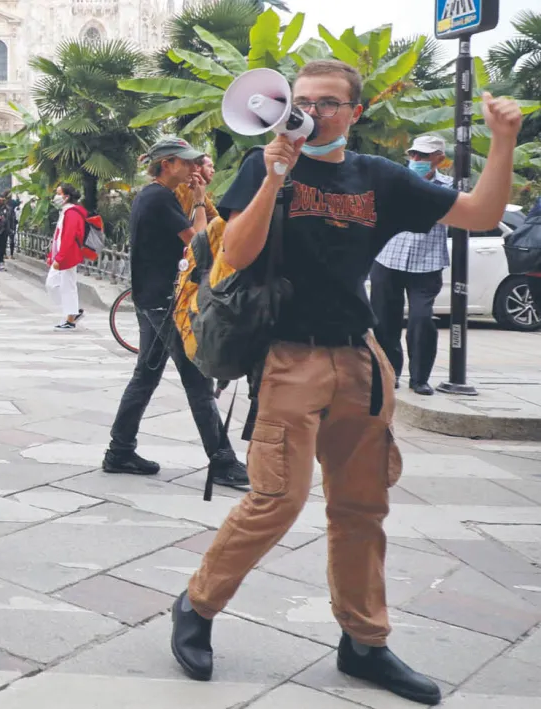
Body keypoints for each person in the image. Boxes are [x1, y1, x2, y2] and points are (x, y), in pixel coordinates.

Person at [171, 60, 522, 706]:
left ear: (354, 113)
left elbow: (479, 212)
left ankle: (364, 641)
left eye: (327, 103)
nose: (311, 113)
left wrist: (503, 141)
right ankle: (196, 606)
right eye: (300, 101)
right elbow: (236, 253)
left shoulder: (378, 178)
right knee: (275, 498)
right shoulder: (264, 163)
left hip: (360, 360)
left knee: (363, 506)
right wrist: (276, 173)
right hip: (287, 358)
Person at [102, 137, 248, 489]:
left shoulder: (158, 196)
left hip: (153, 298)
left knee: (146, 377)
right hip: (165, 303)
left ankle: (119, 451)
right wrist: (199, 202)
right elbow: (199, 241)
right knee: (198, 380)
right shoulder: (157, 197)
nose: (193, 168)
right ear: (167, 164)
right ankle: (223, 461)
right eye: (186, 163)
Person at [370, 135, 455, 396]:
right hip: (388, 258)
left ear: (439, 159)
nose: (417, 160)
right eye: (414, 155)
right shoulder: (395, 181)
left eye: (424, 156)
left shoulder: (449, 187)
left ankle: (420, 379)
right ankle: (389, 372)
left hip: (427, 264)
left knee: (421, 320)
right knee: (384, 321)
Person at [48, 184, 90, 329]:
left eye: (58, 193)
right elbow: (58, 236)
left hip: (68, 255)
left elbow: (68, 237)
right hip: (63, 255)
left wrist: (60, 258)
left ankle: (71, 316)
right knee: (56, 284)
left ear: (66, 197)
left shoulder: (72, 213)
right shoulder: (66, 211)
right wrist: (53, 255)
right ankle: (72, 311)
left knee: (66, 285)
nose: (56, 196)